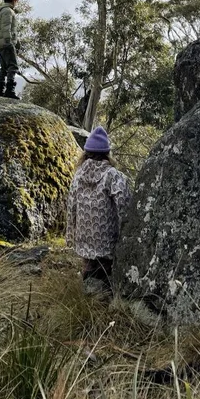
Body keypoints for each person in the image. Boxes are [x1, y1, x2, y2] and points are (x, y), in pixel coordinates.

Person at [66, 126, 131, 294]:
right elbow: (124, 205)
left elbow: (71, 207)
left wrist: (71, 236)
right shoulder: (113, 176)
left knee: (89, 270)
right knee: (107, 275)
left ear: (86, 153)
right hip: (108, 242)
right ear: (107, 153)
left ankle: (88, 297)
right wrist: (126, 236)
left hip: (84, 240)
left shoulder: (78, 176)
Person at [0, 0, 21, 99]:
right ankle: (9, 91)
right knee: (13, 66)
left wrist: (17, 42)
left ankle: (0, 91)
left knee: (4, 68)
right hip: (6, 43)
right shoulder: (8, 11)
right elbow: (6, 27)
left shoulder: (1, 11)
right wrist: (9, 42)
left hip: (1, 44)